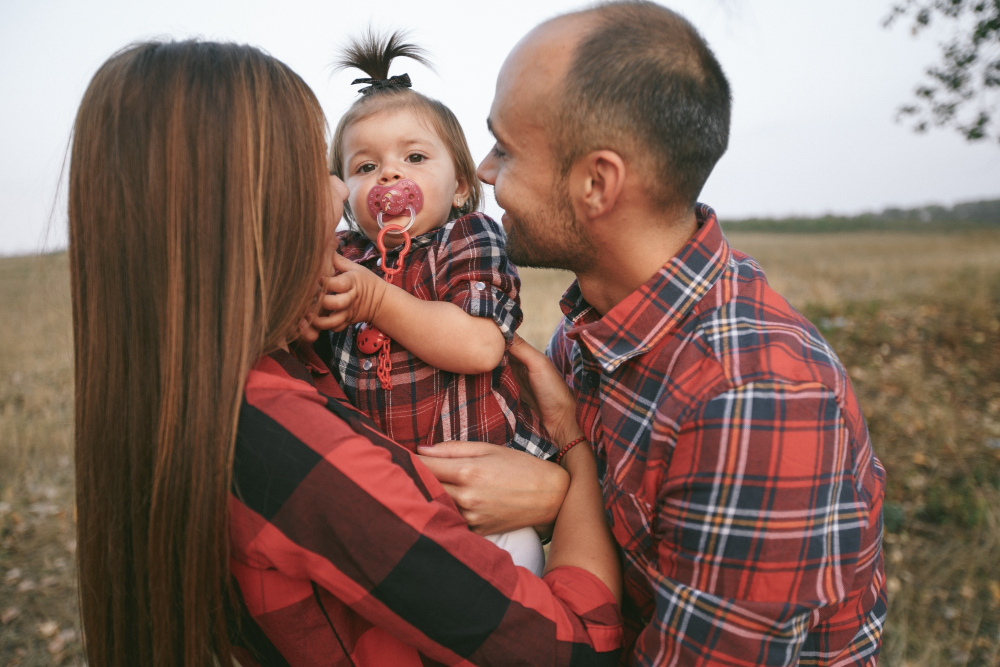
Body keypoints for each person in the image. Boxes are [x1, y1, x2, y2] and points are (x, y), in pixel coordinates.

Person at [69, 39, 622, 667]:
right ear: (247, 205)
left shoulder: (206, 384)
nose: (344, 191)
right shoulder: (283, 440)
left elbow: (473, 341)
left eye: (413, 157)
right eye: (330, 168)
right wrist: (573, 464)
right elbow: (578, 650)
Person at [420, 2, 888, 665]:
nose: (488, 172)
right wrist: (567, 484)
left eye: (506, 147)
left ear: (596, 182)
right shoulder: (597, 323)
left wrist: (563, 489)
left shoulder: (752, 395)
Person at [314, 32, 554, 574]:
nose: (390, 175)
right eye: (365, 168)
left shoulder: (468, 239)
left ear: (463, 184)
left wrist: (375, 297)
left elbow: (478, 346)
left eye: (415, 157)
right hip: (394, 501)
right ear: (345, 194)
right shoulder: (346, 256)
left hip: (490, 503)